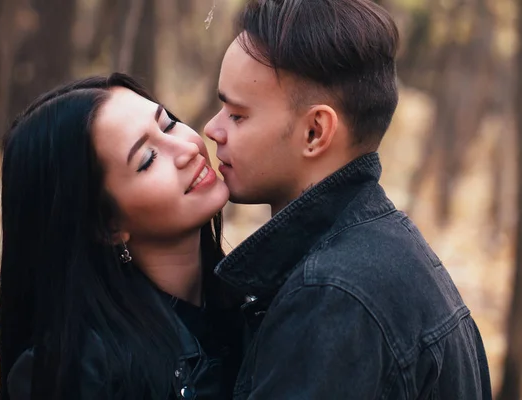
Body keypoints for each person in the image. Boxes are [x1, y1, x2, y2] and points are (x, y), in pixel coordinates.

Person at [204, 0, 492, 398]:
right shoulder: (386, 253)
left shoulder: (331, 297)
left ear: (315, 132)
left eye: (237, 115)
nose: (212, 128)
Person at [0, 73, 243, 400]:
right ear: (107, 225)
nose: (186, 148)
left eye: (168, 124)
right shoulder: (82, 374)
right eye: (147, 159)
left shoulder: (254, 304)